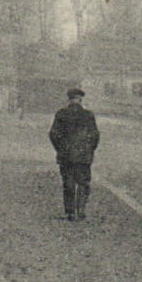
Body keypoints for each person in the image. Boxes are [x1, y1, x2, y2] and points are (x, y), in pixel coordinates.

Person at [48, 88, 100, 221]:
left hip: (66, 156)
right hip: (83, 157)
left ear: (69, 99)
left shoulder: (61, 114)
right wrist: (89, 150)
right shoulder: (88, 115)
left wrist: (60, 149)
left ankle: (70, 212)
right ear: (80, 99)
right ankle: (81, 210)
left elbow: (53, 134)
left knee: (68, 183)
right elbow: (95, 136)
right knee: (83, 183)